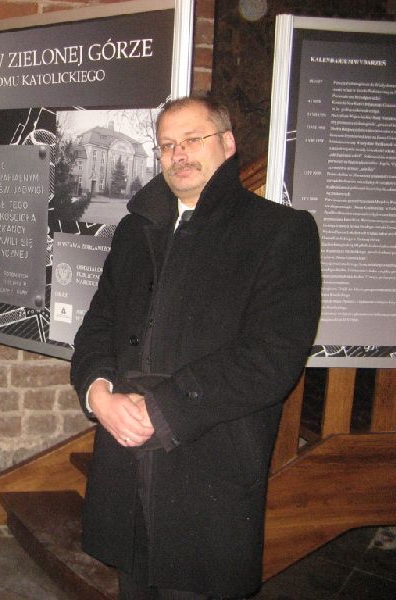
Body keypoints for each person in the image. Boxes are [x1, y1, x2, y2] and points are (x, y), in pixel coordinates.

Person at [70, 96, 322, 600]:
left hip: (208, 460)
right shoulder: (136, 230)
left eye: (192, 140)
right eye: (167, 145)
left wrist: (162, 411)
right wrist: (98, 394)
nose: (178, 154)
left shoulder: (279, 231)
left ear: (227, 144)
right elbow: (99, 325)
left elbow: (272, 356)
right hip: (126, 452)